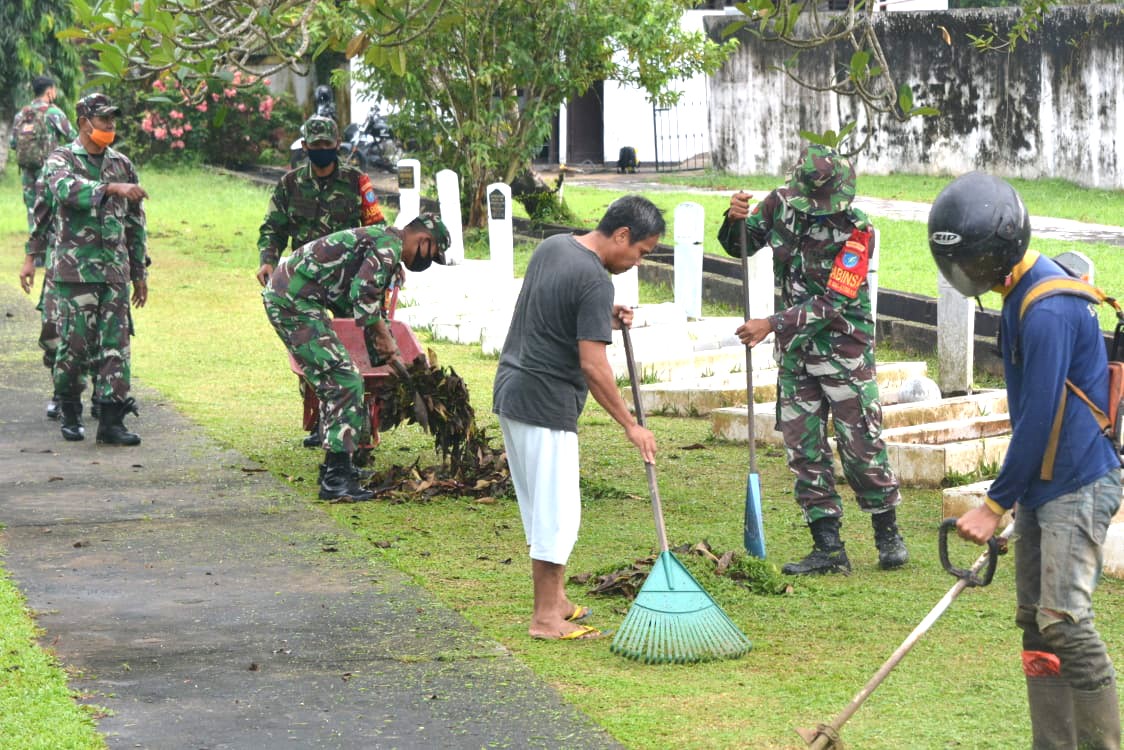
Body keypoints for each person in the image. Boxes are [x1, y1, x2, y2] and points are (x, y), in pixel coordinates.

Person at [931, 172, 1121, 749]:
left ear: (999, 252)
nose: (966, 275)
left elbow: (1038, 418)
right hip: (1045, 484)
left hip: (1078, 483)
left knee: (1064, 623)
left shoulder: (1047, 309)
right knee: (1035, 627)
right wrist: (1015, 495)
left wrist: (994, 504)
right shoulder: (1020, 292)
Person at [716, 144, 908, 575]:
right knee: (803, 447)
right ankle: (828, 548)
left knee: (861, 447)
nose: (820, 212)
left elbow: (834, 301)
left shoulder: (860, 231)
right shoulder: (779, 206)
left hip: (845, 353)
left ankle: (887, 533)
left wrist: (771, 322)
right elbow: (740, 248)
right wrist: (734, 221)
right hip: (796, 355)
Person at [493, 195, 661, 640]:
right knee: (557, 513)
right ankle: (545, 617)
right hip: (545, 402)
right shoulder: (596, 280)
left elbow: (553, 305)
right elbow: (593, 365)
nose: (637, 263)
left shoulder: (555, 246)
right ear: (622, 235)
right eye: (640, 253)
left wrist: (601, 316)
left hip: (513, 391)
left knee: (540, 507)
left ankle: (559, 600)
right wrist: (631, 424)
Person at [262, 213, 449, 501]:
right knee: (345, 380)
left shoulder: (386, 244)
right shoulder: (388, 248)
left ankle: (337, 468)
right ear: (424, 240)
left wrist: (389, 354)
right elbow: (363, 296)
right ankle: (336, 482)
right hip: (292, 301)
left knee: (336, 382)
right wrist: (386, 341)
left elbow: (366, 303)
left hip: (300, 300)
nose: (427, 262)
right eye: (432, 254)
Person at [18, 93, 149, 445]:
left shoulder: (122, 164)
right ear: (84, 123)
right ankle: (70, 409)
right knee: (73, 348)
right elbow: (61, 195)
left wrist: (139, 273)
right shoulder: (60, 160)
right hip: (74, 274)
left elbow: (135, 225)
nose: (110, 127)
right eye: (104, 120)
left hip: (115, 272)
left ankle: (111, 420)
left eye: (112, 120)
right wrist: (32, 256)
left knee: (115, 347)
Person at [256, 114, 387, 448]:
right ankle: (321, 421)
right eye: (315, 146)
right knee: (313, 350)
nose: (322, 151)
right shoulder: (289, 185)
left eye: (328, 146)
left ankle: (358, 422)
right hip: (305, 283)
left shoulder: (357, 182)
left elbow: (377, 226)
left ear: (337, 147)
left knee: (354, 349)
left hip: (347, 282)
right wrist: (267, 262)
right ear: (305, 147)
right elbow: (273, 228)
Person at [9, 75, 77, 231]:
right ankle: (50, 245)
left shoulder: (22, 114)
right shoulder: (54, 112)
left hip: (27, 169)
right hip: (49, 169)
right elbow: (72, 137)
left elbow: (13, 143)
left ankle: (34, 244)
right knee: (50, 205)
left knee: (32, 207)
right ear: (50, 92)